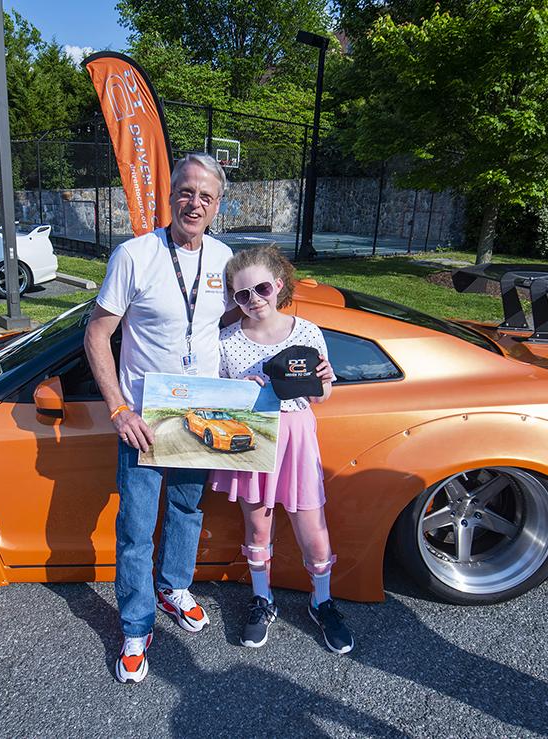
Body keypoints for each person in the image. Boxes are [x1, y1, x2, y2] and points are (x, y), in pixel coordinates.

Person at [84, 153, 237, 684]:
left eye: (206, 196)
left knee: (187, 508)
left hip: (201, 407)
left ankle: (174, 587)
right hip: (145, 415)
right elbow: (97, 334)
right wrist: (118, 408)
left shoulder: (224, 257)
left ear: (218, 206)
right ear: (170, 195)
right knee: (135, 528)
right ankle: (135, 625)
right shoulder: (135, 255)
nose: (195, 203)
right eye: (186, 192)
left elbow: (239, 322)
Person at [209, 245, 353, 654]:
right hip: (253, 435)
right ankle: (262, 598)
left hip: (297, 436)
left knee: (314, 532)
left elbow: (320, 395)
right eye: (242, 294)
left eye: (262, 288)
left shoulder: (307, 331)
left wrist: (325, 380)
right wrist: (238, 393)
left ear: (279, 285)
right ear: (233, 299)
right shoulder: (226, 341)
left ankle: (321, 601)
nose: (254, 299)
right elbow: (216, 400)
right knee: (257, 527)